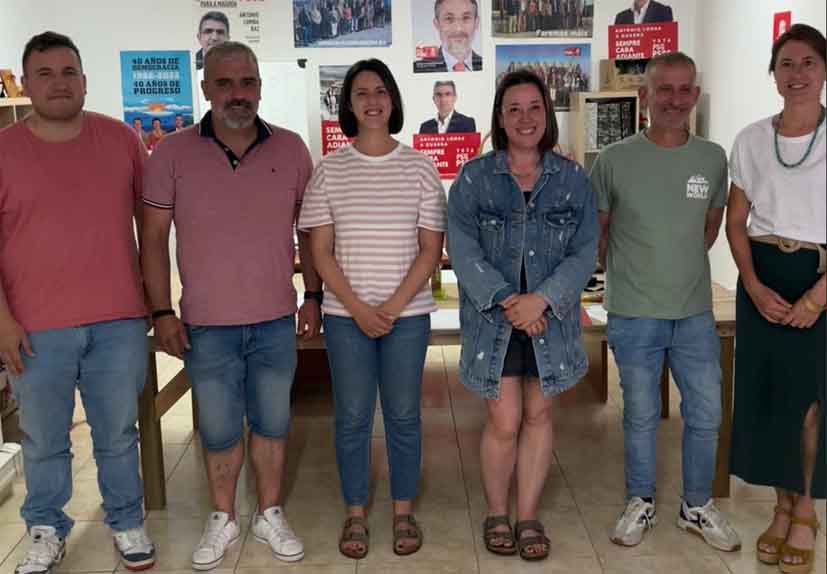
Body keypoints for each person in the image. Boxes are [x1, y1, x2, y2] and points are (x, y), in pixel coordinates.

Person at [141, 41, 321, 570]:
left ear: (259, 87)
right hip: (206, 324)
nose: (237, 94)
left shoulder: (291, 150)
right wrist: (161, 312)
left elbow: (309, 233)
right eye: (224, 83)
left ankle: (269, 513)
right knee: (219, 430)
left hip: (274, 318)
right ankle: (223, 516)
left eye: (247, 82)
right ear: (205, 89)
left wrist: (312, 296)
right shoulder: (170, 153)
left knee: (272, 424)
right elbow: (153, 239)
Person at [0, 31, 155, 574]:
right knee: (44, 440)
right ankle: (46, 529)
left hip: (119, 321)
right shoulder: (3, 151)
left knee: (118, 434)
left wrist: (156, 303)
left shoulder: (122, 141)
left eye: (69, 72)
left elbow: (151, 228)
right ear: (26, 83)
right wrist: (2, 322)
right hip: (34, 328)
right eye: (44, 74)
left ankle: (126, 521)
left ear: (85, 80)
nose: (59, 83)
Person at [591, 52, 741, 552]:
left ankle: (696, 505)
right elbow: (599, 234)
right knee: (639, 414)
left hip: (693, 311)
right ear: (644, 96)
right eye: (664, 89)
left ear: (695, 95)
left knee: (707, 413)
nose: (675, 100)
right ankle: (640, 501)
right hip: (634, 312)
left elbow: (709, 229)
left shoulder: (712, 158)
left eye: (684, 90)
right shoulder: (614, 160)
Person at [447, 69, 598, 562]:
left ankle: (528, 515)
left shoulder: (573, 179)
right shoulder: (474, 178)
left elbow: (585, 251)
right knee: (504, 419)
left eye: (534, 107)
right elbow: (462, 249)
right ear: (500, 117)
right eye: (514, 108)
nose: (525, 117)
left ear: (547, 115)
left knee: (539, 414)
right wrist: (511, 301)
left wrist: (543, 300)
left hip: (550, 320)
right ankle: (497, 512)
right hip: (495, 320)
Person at [298, 58, 446, 560]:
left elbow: (430, 249)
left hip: (408, 317)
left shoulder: (420, 167)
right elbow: (320, 252)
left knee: (403, 415)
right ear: (348, 104)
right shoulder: (329, 170)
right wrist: (359, 308)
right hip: (346, 318)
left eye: (381, 91)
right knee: (353, 417)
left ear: (393, 99)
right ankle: (356, 513)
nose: (372, 101)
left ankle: (403, 511)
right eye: (361, 93)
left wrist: (392, 307)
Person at [726, 24, 825, 574]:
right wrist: (752, 284)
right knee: (768, 397)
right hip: (762, 280)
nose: (797, 74)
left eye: (808, 62)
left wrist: (817, 299)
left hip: (818, 280)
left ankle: (806, 509)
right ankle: (781, 506)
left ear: (824, 70)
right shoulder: (750, 140)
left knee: (808, 402)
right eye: (786, 63)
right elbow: (736, 222)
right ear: (773, 73)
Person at [415, 0, 482, 73]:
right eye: (449, 18)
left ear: (476, 23)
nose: (458, 28)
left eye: (466, 18)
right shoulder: (418, 70)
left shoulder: (488, 66)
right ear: (437, 24)